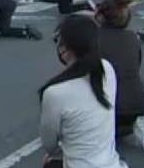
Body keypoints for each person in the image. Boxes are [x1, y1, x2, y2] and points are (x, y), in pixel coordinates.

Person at [39, 15, 128, 168]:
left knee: (50, 163)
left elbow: (49, 144)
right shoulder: (106, 69)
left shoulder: (55, 92)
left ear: (64, 47)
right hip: (112, 164)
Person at [95, 0, 144, 151]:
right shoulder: (132, 38)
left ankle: (122, 130)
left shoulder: (94, 39)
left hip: (110, 105)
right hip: (137, 102)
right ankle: (131, 125)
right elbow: (136, 65)